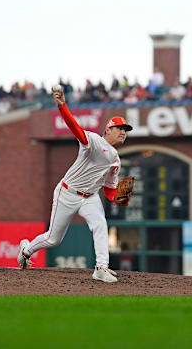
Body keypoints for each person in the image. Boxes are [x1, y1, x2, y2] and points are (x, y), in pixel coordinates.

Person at [17, 86, 132, 283]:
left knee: (100, 224)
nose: (123, 132)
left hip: (90, 197)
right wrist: (62, 106)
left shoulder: (116, 160)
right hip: (67, 192)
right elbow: (75, 127)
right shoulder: (94, 141)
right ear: (108, 130)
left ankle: (101, 268)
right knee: (54, 239)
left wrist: (119, 198)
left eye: (126, 130)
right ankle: (26, 251)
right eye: (120, 128)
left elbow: (110, 188)